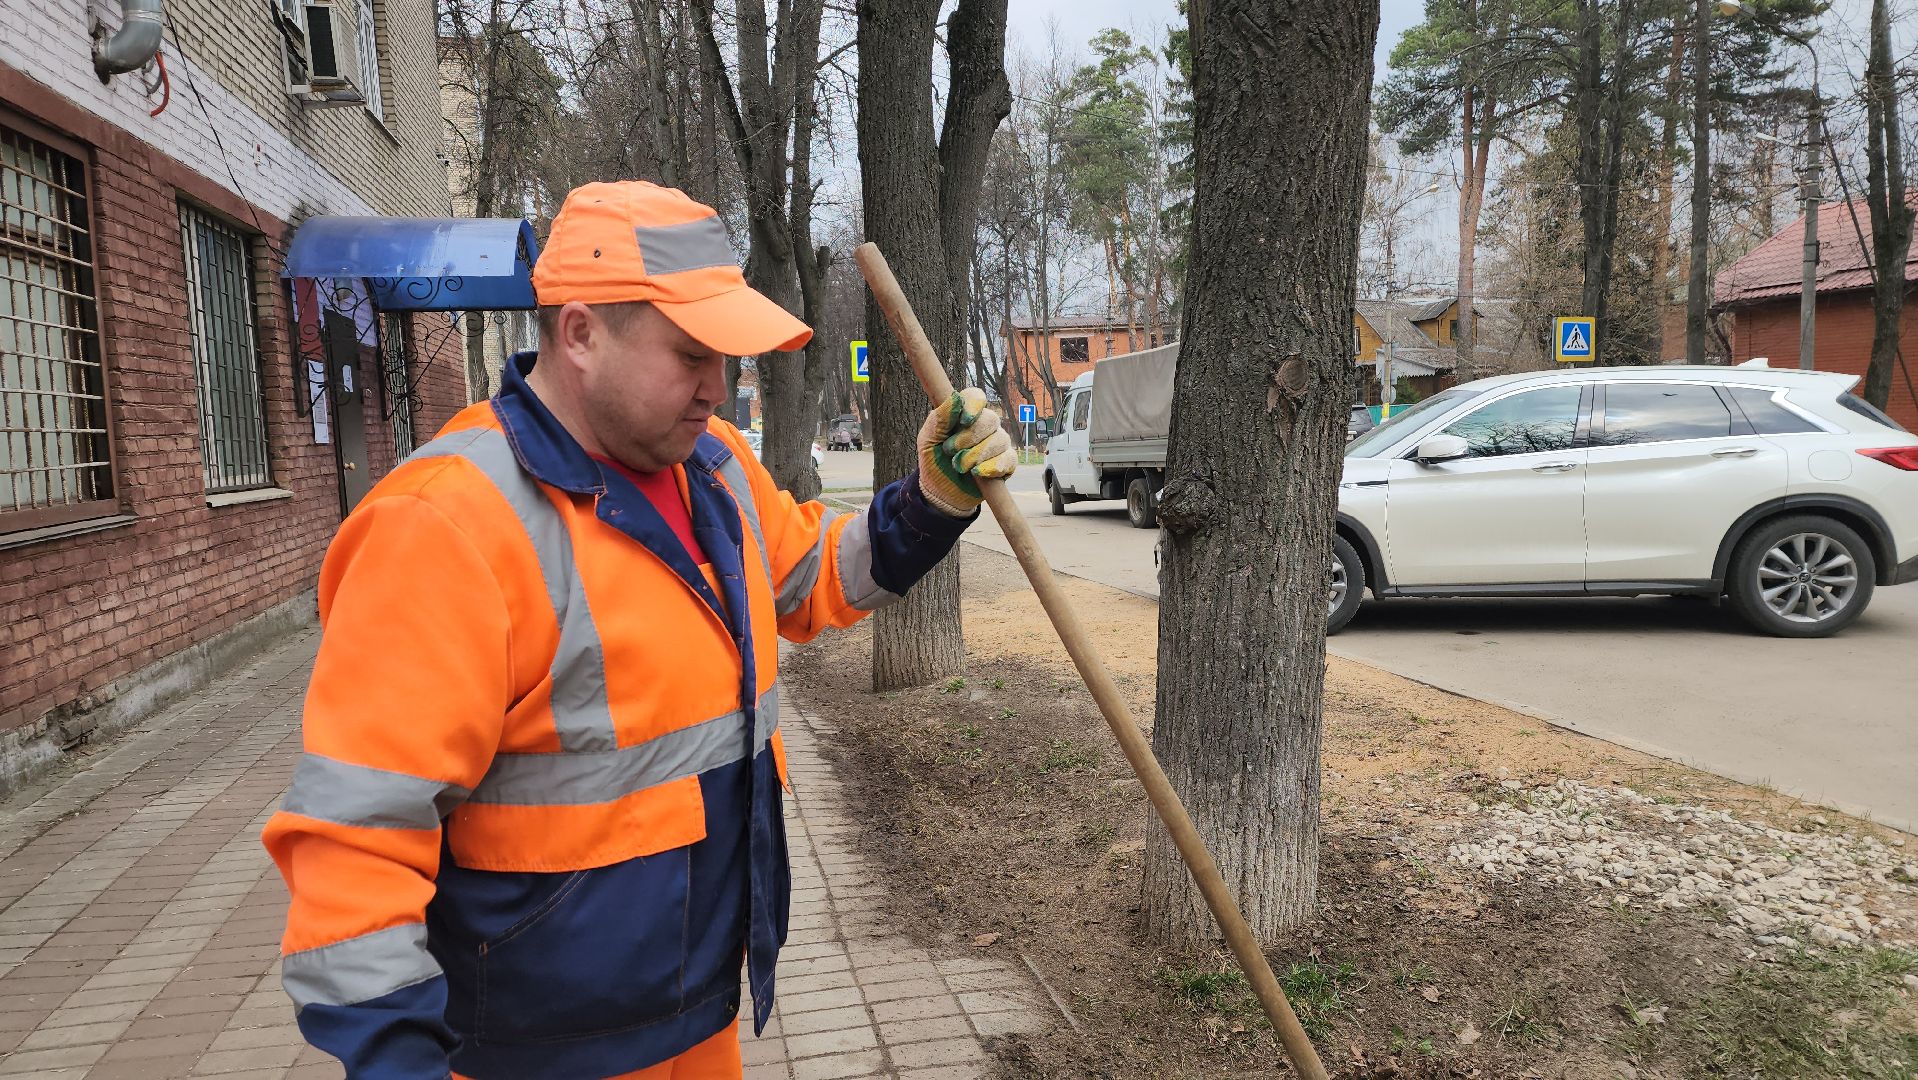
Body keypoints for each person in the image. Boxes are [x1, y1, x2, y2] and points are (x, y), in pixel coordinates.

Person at [262, 181, 1015, 1080]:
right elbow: (355, 853)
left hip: (696, 1018)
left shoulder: (713, 467)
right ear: (579, 334)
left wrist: (929, 503)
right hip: (538, 1055)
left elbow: (810, 578)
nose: (717, 389)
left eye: (725, 359)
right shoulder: (444, 526)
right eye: (692, 354)